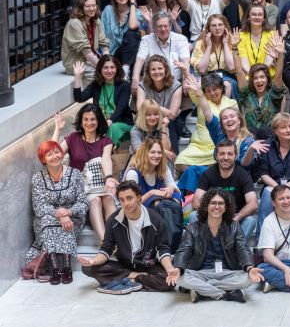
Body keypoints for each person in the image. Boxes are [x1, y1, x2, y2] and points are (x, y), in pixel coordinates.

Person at [78, 180, 176, 293]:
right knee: (87, 267)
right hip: (125, 265)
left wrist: (169, 269)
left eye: (130, 198)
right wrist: (93, 261)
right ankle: (136, 277)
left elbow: (163, 249)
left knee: (169, 280)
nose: (126, 203)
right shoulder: (113, 220)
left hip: (148, 265)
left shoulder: (155, 219)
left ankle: (129, 280)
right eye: (122, 200)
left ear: (139, 197)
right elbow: (106, 250)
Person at [170, 187, 263, 303]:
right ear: (206, 206)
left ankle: (202, 291)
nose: (217, 207)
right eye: (213, 203)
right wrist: (178, 268)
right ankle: (227, 293)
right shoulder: (193, 228)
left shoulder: (234, 226)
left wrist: (249, 268)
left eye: (221, 204)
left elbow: (243, 248)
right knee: (180, 277)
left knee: (248, 278)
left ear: (226, 207)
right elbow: (184, 250)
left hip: (227, 272)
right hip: (201, 272)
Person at [25, 140, 87, 285]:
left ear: (62, 153)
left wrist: (68, 212)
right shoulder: (37, 178)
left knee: (63, 224)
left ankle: (66, 267)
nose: (55, 156)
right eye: (49, 154)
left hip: (73, 218)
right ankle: (55, 269)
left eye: (57, 152)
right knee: (47, 221)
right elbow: (39, 207)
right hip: (47, 218)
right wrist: (59, 214)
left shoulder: (75, 174)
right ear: (43, 159)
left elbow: (83, 203)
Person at [52, 107, 116, 242]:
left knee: (108, 198)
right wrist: (58, 129)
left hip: (100, 185)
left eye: (93, 119)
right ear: (81, 122)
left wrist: (109, 177)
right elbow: (54, 155)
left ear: (98, 121)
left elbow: (106, 158)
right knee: (95, 200)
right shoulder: (73, 138)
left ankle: (113, 239)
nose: (89, 122)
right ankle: (105, 243)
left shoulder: (106, 141)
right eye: (85, 119)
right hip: (80, 189)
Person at [191, 138, 259, 240]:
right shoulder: (207, 174)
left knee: (251, 220)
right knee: (193, 216)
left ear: (235, 156)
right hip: (213, 214)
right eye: (222, 154)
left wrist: (236, 218)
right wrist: (215, 214)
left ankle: (235, 250)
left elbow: (253, 204)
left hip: (236, 216)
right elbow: (196, 202)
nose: (226, 157)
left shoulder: (243, 175)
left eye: (230, 154)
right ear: (216, 156)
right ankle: (204, 248)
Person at [124, 138, 183, 251]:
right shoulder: (133, 173)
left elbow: (177, 191)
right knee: (159, 203)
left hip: (163, 210)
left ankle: (168, 246)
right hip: (139, 214)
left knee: (173, 202)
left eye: (159, 152)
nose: (157, 155)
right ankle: (169, 247)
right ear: (144, 153)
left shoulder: (163, 168)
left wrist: (170, 188)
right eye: (152, 152)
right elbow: (130, 204)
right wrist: (152, 193)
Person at [255, 114, 290, 230]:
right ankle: (261, 242)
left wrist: (286, 187)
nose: (288, 130)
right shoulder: (267, 145)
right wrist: (277, 188)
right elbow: (263, 173)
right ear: (275, 131)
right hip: (273, 186)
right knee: (266, 192)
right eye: (283, 127)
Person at [175, 73, 237, 172]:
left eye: (215, 89)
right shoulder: (201, 100)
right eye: (208, 90)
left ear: (221, 88)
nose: (212, 93)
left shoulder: (232, 103)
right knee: (181, 161)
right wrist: (185, 71)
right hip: (199, 146)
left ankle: (202, 175)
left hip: (220, 145)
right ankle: (205, 176)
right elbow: (194, 90)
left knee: (223, 160)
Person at [231, 30, 286, 134]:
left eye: (262, 77)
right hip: (251, 139)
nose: (259, 80)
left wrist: (281, 54)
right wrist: (234, 48)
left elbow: (278, 76)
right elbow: (239, 72)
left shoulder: (274, 94)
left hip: (271, 139)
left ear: (267, 79)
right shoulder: (246, 94)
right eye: (255, 78)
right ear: (251, 80)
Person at [72, 55, 133, 146]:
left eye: (112, 67)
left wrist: (107, 123)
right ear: (100, 69)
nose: (109, 71)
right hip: (101, 124)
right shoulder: (96, 84)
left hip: (121, 124)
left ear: (117, 69)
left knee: (113, 127)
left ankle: (106, 154)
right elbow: (79, 98)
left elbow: (121, 108)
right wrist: (77, 76)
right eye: (105, 68)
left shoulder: (124, 86)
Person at [131, 11, 191, 92]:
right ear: (154, 28)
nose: (163, 29)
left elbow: (185, 61)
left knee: (189, 87)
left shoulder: (181, 39)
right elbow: (140, 59)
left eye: (165, 26)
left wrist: (185, 80)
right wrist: (135, 78)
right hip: (153, 83)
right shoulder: (146, 40)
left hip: (177, 82)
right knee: (136, 89)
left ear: (170, 26)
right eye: (159, 26)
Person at [134, 55, 184, 152]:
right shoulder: (143, 84)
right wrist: (161, 109)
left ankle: (172, 158)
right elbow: (140, 108)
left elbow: (172, 114)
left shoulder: (176, 85)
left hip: (167, 121)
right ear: (148, 72)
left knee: (169, 125)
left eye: (160, 68)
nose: (157, 72)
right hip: (147, 118)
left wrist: (163, 119)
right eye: (153, 69)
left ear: (166, 69)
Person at [61, 0, 110, 79]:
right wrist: (102, 68)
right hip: (77, 64)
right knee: (105, 76)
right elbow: (87, 52)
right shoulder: (74, 23)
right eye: (87, 6)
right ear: (81, 8)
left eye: (94, 5)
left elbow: (104, 43)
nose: (91, 9)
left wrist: (107, 62)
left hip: (91, 61)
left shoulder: (96, 21)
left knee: (116, 72)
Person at [100, 0, 144, 72]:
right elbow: (101, 34)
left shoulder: (136, 12)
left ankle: (125, 69)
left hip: (130, 52)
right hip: (112, 53)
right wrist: (105, 53)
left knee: (132, 34)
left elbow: (132, 26)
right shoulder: (108, 10)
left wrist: (132, 4)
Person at [189, 14, 236, 97]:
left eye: (220, 25)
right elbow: (202, 70)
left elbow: (231, 67)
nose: (217, 28)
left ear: (225, 27)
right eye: (213, 25)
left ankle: (224, 109)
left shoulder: (232, 42)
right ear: (209, 28)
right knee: (197, 87)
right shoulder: (200, 44)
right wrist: (209, 46)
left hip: (227, 77)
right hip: (208, 77)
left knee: (225, 85)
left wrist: (225, 44)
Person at [237, 4, 275, 76]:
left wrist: (260, 75)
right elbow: (244, 61)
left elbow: (269, 60)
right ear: (248, 17)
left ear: (264, 18)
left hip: (268, 77)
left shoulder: (272, 34)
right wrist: (254, 76)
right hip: (249, 77)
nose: (257, 17)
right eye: (253, 14)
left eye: (260, 14)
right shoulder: (241, 36)